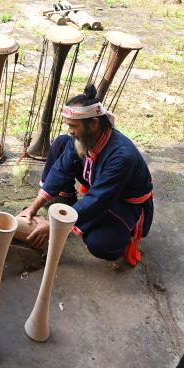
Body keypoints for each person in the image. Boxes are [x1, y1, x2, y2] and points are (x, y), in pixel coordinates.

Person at [18, 84, 154, 267]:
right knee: (61, 143)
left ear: (94, 124)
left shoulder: (122, 156)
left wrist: (56, 226)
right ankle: (66, 202)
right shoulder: (86, 137)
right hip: (101, 187)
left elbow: (98, 198)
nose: (70, 131)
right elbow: (62, 167)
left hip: (123, 203)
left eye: (73, 126)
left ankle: (120, 233)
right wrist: (33, 207)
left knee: (100, 244)